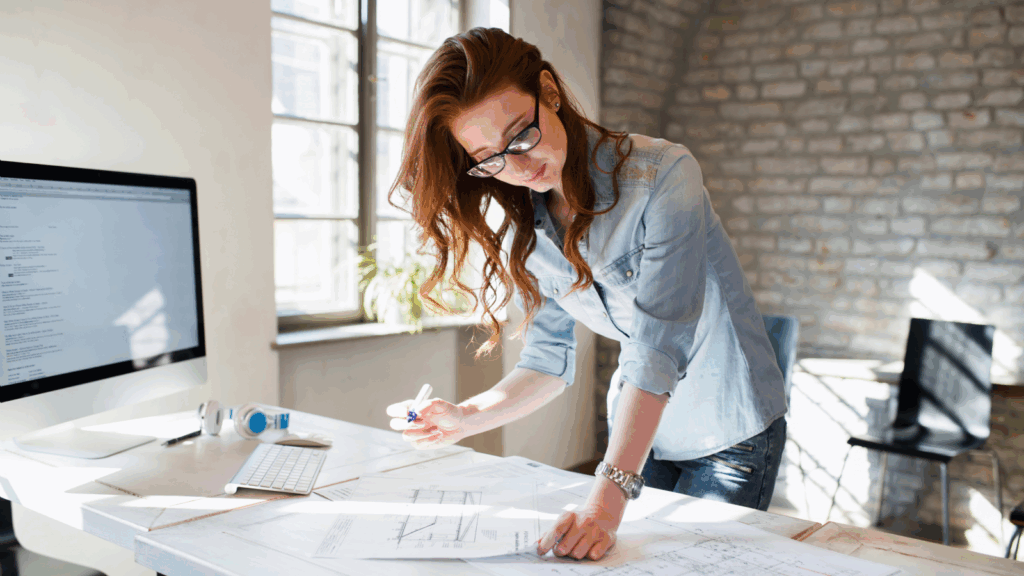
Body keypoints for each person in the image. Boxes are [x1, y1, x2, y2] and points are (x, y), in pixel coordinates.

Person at [384, 27, 788, 562]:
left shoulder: (664, 175)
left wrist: (605, 499)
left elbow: (658, 346)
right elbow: (549, 362)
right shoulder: (528, 230)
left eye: (522, 135)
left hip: (731, 431)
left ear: (549, 92)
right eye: (491, 158)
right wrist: (466, 417)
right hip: (646, 434)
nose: (520, 168)